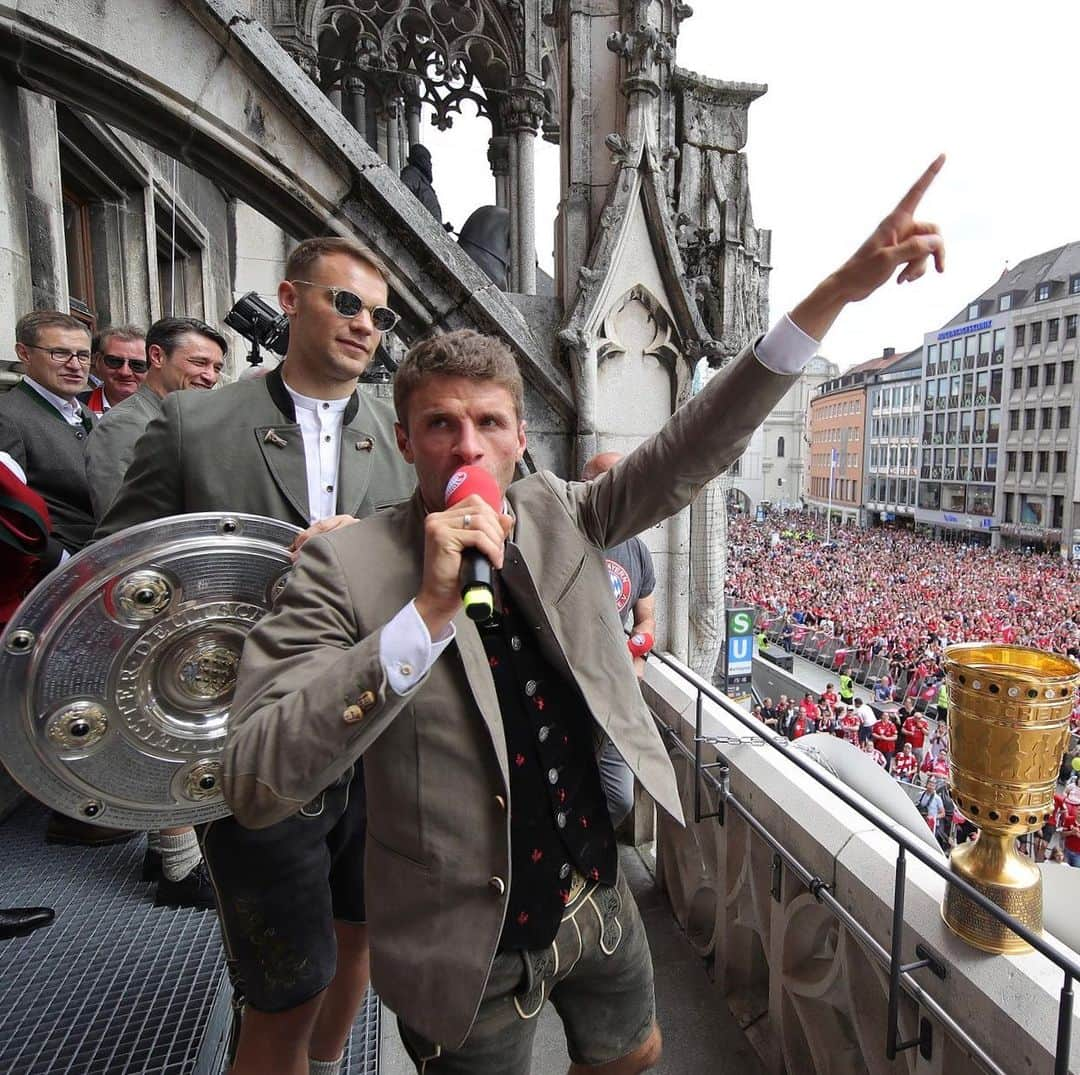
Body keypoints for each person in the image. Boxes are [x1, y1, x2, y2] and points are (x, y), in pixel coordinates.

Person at [224, 157, 946, 1074]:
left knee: (634, 1052)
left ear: (521, 439)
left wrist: (838, 292)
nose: (467, 445)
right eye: (440, 424)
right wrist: (423, 616)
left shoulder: (558, 510)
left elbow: (695, 444)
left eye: (489, 422)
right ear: (401, 438)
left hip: (593, 893)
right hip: (467, 938)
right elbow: (254, 775)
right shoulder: (342, 563)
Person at [98, 236, 416, 1075]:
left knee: (359, 942)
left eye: (379, 316)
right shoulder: (193, 420)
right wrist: (260, 571)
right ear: (289, 297)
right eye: (346, 303)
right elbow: (118, 574)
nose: (364, 326)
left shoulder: (401, 434)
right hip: (253, 736)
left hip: (380, 737)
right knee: (281, 987)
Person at [86, 317, 226, 520]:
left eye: (217, 368)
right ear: (157, 356)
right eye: (199, 363)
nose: (210, 376)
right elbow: (121, 523)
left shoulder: (193, 420)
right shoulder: (123, 425)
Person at [582, 451, 657, 826]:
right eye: (614, 481)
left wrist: (638, 654)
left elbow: (646, 620)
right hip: (571, 689)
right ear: (588, 485)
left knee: (618, 798)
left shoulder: (637, 549)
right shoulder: (567, 537)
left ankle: (589, 853)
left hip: (616, 691)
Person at [0, 311, 97, 556]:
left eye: (83, 356)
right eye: (60, 353)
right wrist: (57, 561)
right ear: (24, 353)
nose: (75, 365)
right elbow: (7, 514)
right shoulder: (7, 416)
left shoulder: (85, 413)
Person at [81, 325, 147, 417]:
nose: (125, 372)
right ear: (97, 361)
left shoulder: (167, 413)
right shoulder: (74, 408)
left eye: (137, 365)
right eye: (114, 361)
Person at [400, 144, 442, 223]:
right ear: (420, 159)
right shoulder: (411, 174)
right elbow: (403, 198)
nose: (430, 164)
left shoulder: (421, 180)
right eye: (428, 160)